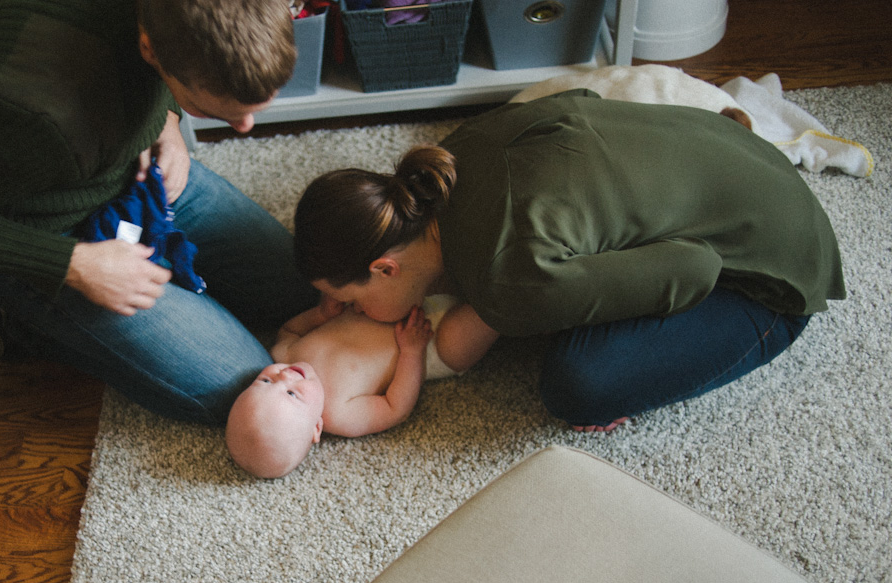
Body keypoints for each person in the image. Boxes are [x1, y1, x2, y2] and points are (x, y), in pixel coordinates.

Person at [293, 90, 845, 432]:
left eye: (348, 299)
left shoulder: (508, 282)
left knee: (577, 384)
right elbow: (583, 100)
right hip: (735, 153)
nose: (344, 312)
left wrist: (550, 297)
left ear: (385, 266)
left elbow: (693, 269)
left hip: (778, 271)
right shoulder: (450, 155)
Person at [0, 0, 319, 425]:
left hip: (131, 172)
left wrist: (167, 121)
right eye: (212, 110)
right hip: (50, 228)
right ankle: (17, 313)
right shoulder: (33, 112)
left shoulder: (161, 32)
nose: (245, 128)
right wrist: (75, 266)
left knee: (308, 285)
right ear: (150, 49)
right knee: (244, 386)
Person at [226, 295, 498, 478]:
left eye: (264, 381)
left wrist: (320, 314)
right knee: (483, 314)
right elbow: (395, 407)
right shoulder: (340, 415)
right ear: (316, 428)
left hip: (398, 301)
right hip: (432, 344)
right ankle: (510, 299)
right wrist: (412, 351)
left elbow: (290, 330)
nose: (284, 376)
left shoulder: (284, 354)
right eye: (292, 394)